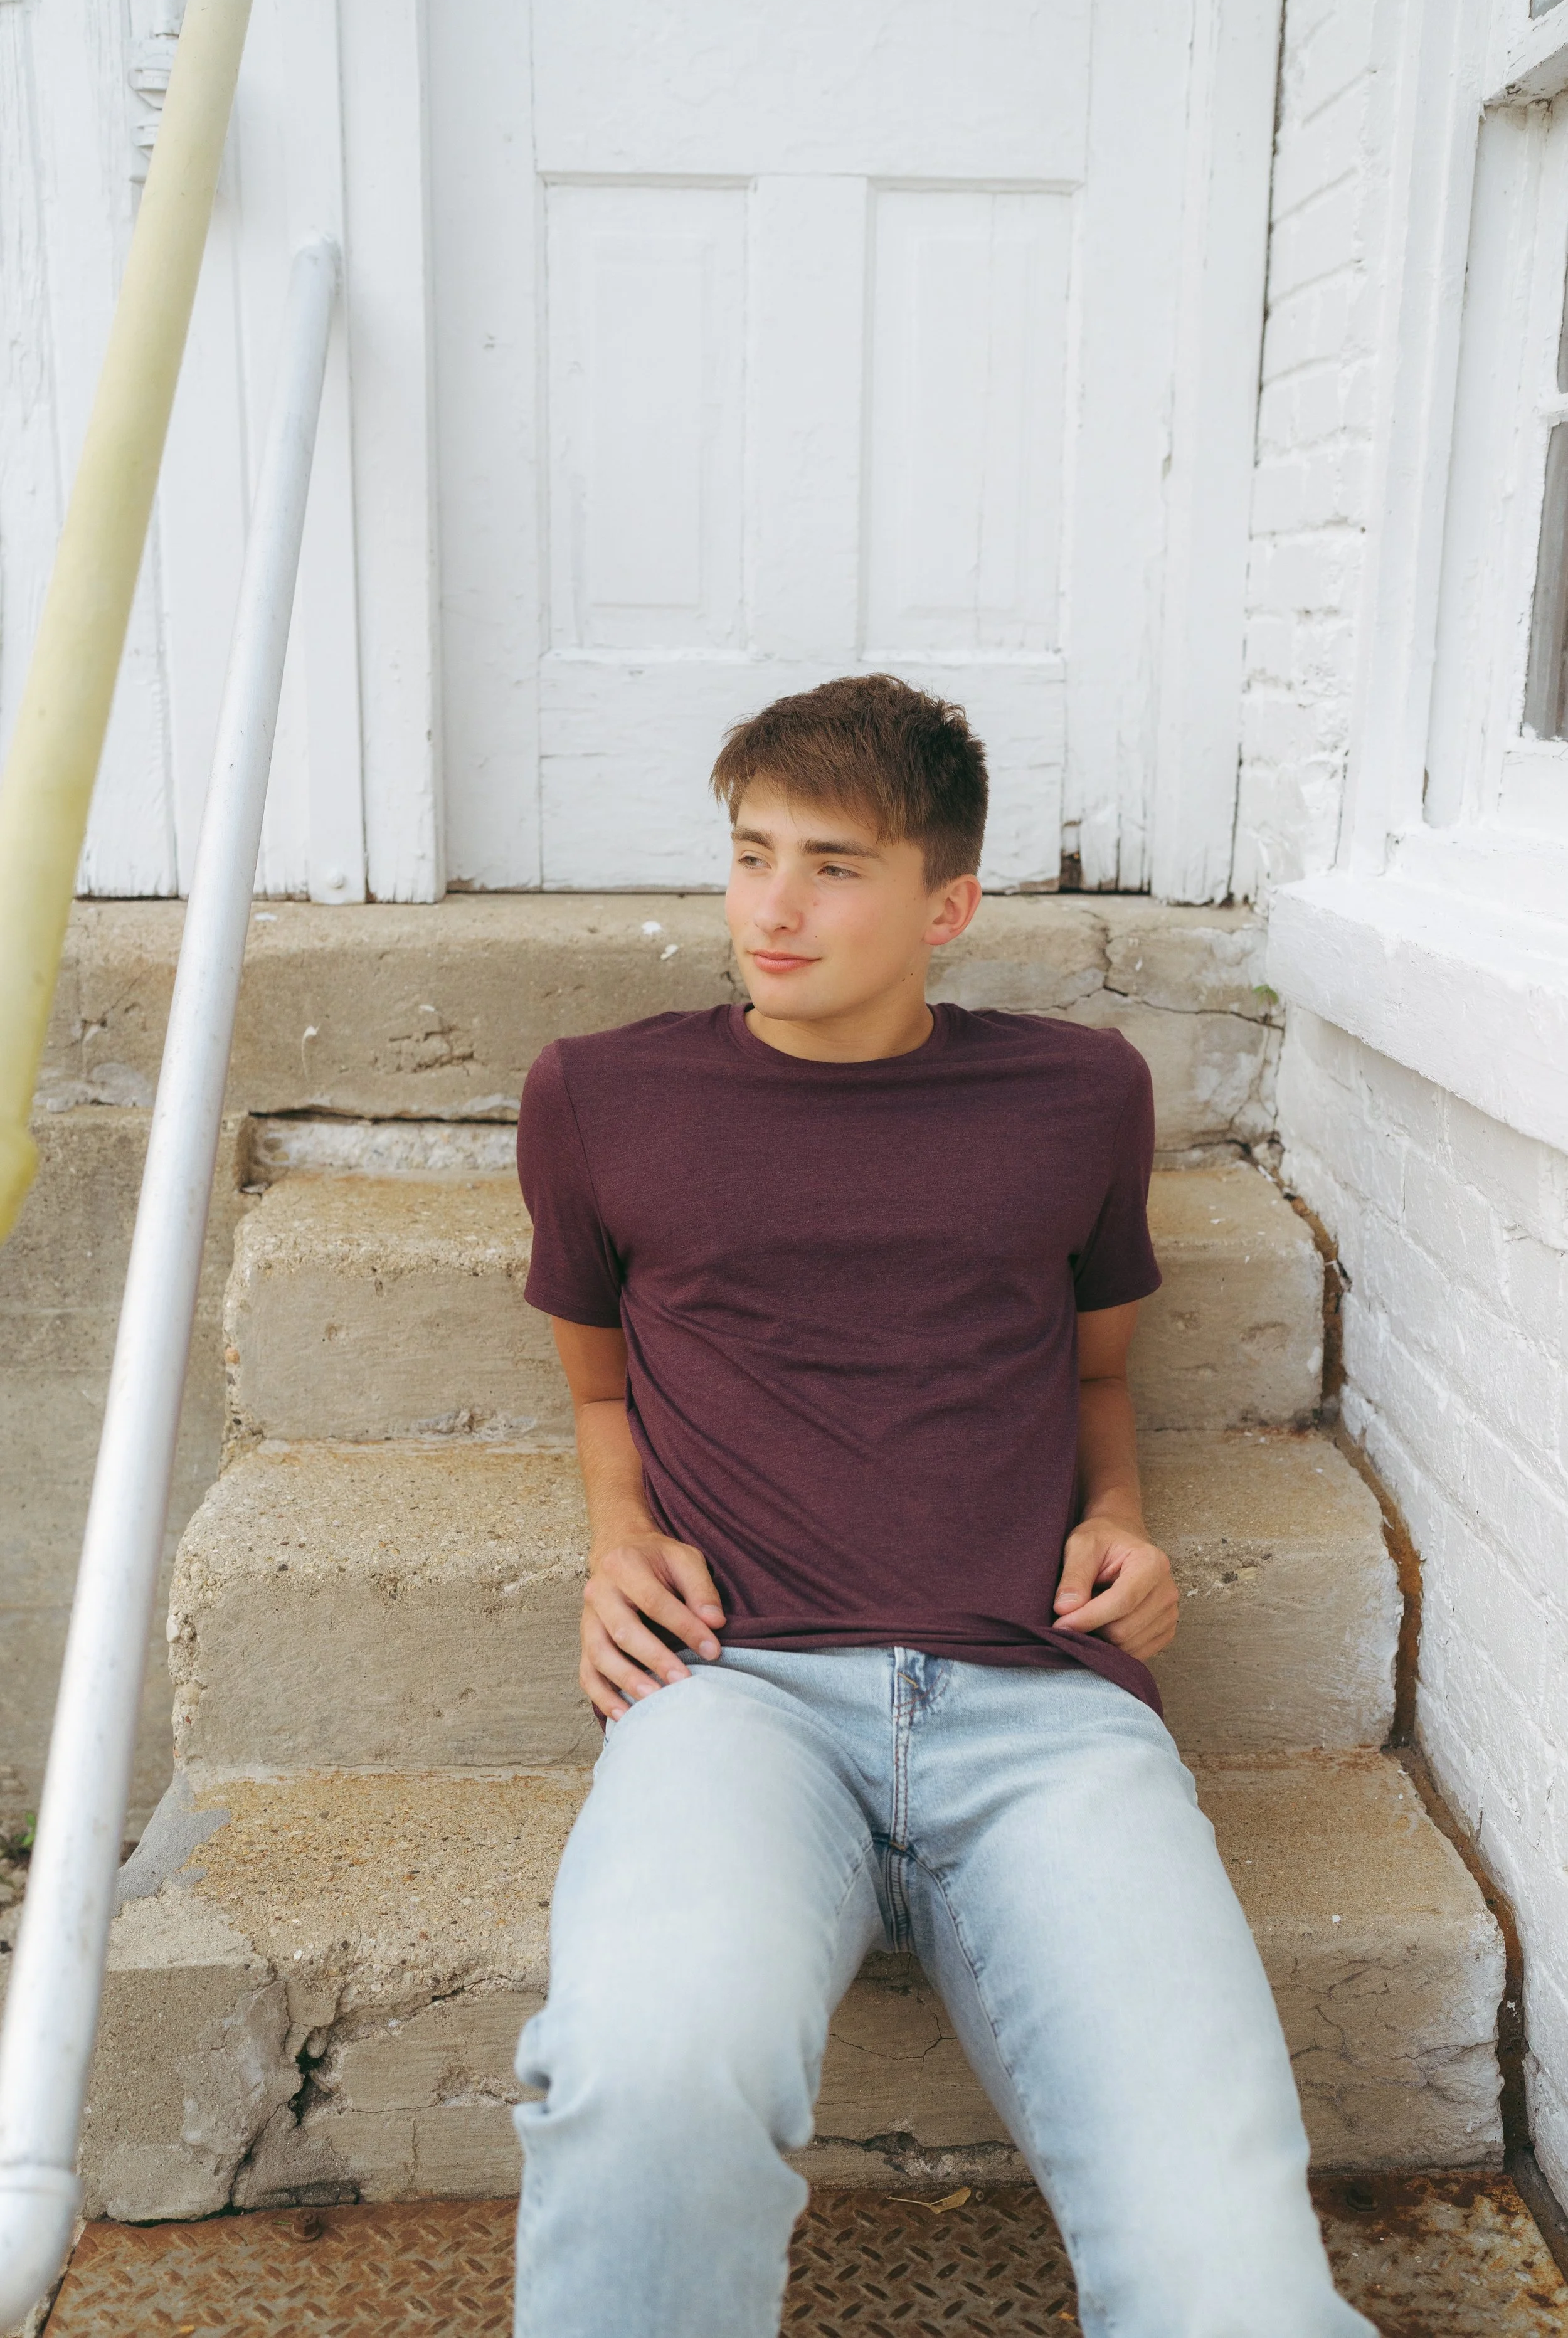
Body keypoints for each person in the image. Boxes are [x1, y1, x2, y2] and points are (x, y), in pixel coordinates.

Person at [511, 675, 1372, 2338]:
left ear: (947, 906)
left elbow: (1099, 1371)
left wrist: (1121, 1517)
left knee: (1235, 2276)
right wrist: (617, 1538)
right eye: (751, 853)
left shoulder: (1078, 1095)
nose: (771, 906)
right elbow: (600, 1387)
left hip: (1045, 1706)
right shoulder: (602, 1099)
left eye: (832, 866)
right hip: (733, 1692)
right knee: (643, 2079)